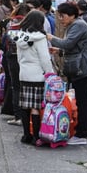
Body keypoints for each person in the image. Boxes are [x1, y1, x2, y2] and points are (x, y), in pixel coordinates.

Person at [47, 2, 87, 145]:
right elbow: (73, 47)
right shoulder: (74, 25)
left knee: (83, 101)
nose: (61, 19)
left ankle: (83, 134)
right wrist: (59, 51)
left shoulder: (78, 25)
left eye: (63, 16)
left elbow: (68, 44)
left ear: (72, 15)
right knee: (83, 100)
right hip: (81, 66)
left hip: (83, 67)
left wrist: (51, 38)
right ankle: (85, 132)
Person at [16, 10, 54, 145]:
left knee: (25, 106)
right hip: (38, 75)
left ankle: (26, 135)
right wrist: (50, 73)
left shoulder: (21, 36)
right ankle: (37, 137)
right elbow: (45, 59)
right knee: (35, 107)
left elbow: (19, 57)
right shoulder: (41, 38)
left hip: (24, 74)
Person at [1, 4, 32, 126]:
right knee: (26, 86)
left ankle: (18, 116)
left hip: (12, 58)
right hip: (26, 58)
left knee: (16, 87)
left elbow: (5, 41)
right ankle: (27, 115)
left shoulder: (11, 23)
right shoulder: (29, 24)